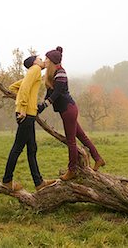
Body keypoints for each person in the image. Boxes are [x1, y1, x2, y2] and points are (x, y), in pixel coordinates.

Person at [38, 46, 106, 181]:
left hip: (69, 110)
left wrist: (45, 105)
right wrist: (40, 106)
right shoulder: (53, 74)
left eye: (46, 59)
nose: (45, 61)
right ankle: (98, 159)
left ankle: (72, 170)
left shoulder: (61, 73)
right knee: (82, 136)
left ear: (52, 61)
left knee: (71, 141)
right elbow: (49, 94)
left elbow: (57, 93)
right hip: (67, 110)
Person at [2, 55, 56, 191]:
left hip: (27, 113)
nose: (42, 61)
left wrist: (21, 102)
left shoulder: (31, 73)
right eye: (39, 58)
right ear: (34, 62)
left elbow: (13, 87)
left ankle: (39, 183)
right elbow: (25, 87)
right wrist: (23, 107)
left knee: (32, 149)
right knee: (18, 148)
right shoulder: (35, 69)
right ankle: (7, 181)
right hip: (25, 114)